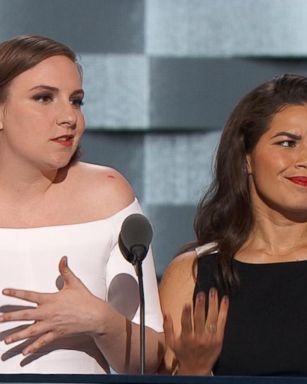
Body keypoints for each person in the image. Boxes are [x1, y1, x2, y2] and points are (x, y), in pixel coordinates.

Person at [0, 35, 164, 374]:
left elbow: (149, 360)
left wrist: (100, 320)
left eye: (76, 101)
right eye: (44, 98)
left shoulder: (107, 194)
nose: (69, 118)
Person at [159, 73, 307, 376]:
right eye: (288, 143)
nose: (304, 159)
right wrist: (194, 369)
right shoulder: (193, 273)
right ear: (246, 158)